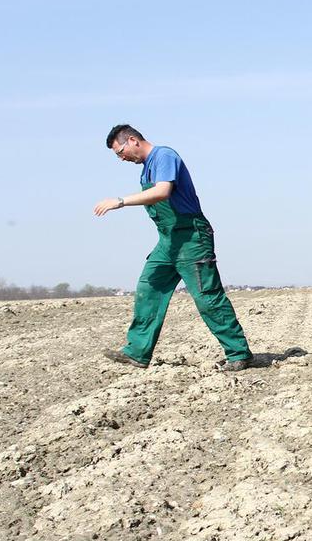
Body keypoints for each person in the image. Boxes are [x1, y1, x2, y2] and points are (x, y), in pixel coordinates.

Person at [93, 124, 253, 371]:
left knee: (207, 296)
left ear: (133, 140)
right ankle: (137, 351)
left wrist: (121, 202)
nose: (121, 158)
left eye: (120, 151)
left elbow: (162, 191)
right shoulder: (145, 170)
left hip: (191, 237)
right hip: (168, 240)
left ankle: (238, 353)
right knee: (150, 286)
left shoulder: (164, 156)